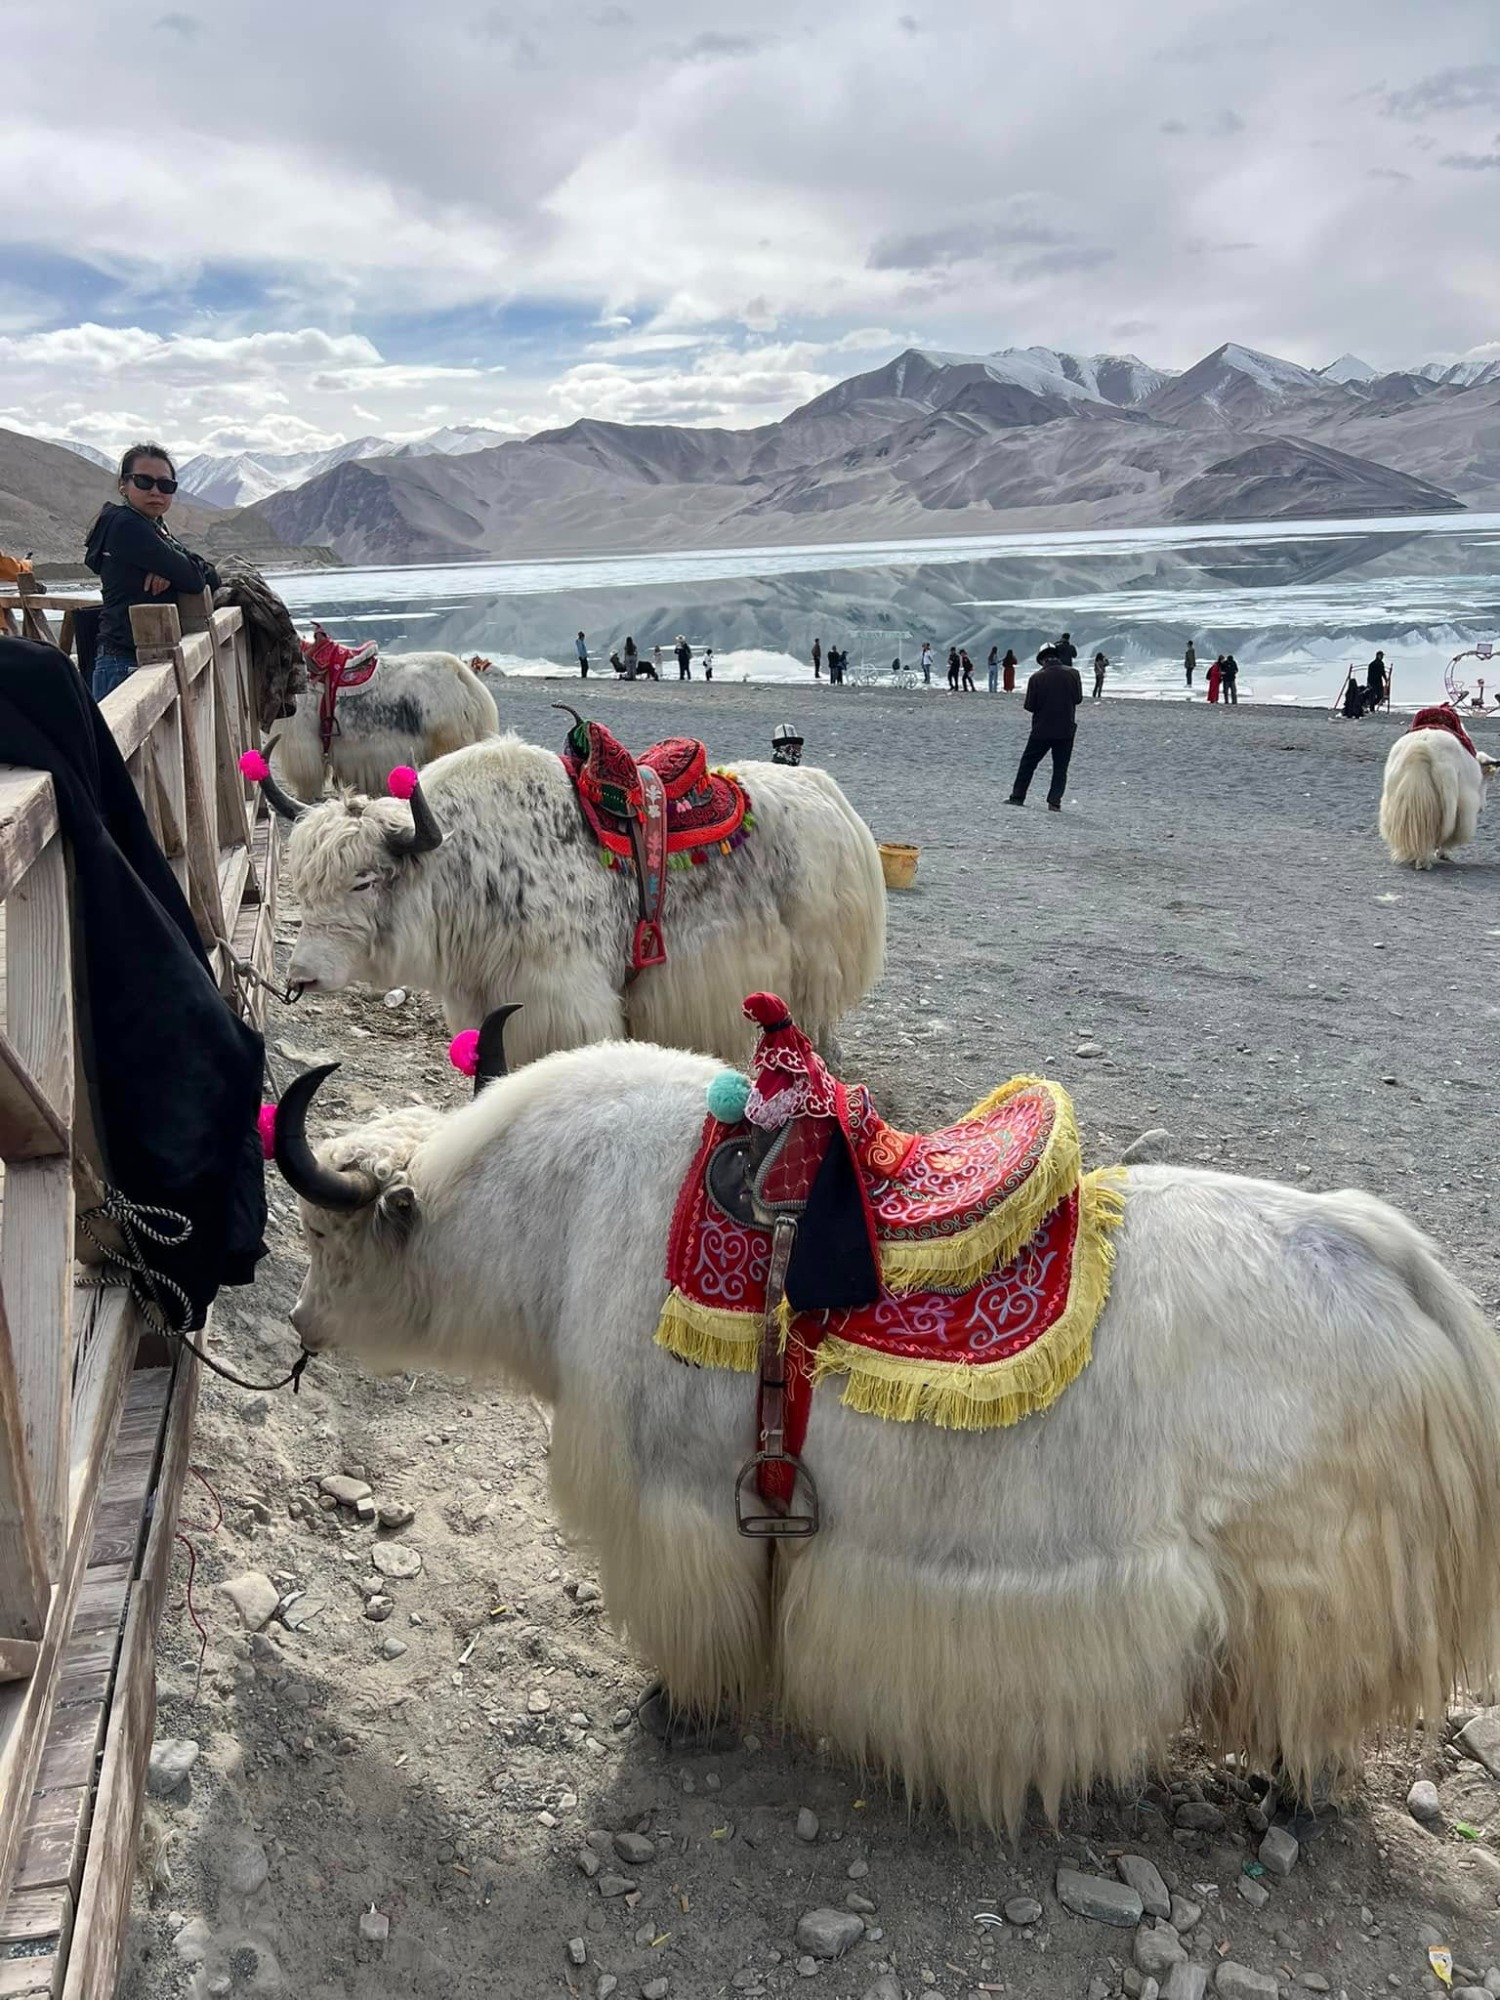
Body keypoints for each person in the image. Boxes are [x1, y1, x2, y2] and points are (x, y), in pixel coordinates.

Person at [83, 442, 219, 700]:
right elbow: (194, 578)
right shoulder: (126, 526)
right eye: (144, 482)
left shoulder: (155, 526)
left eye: (166, 485)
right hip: (125, 662)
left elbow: (210, 576)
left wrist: (171, 569)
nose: (156, 491)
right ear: (123, 484)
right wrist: (177, 569)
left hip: (140, 658)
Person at [1007, 646, 1084, 810]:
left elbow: (1030, 706)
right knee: (1060, 768)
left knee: (1028, 764)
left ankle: (1018, 796)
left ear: (1042, 660)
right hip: (1066, 728)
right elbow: (1078, 699)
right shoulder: (1073, 674)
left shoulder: (1036, 677)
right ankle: (1054, 801)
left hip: (1041, 729)